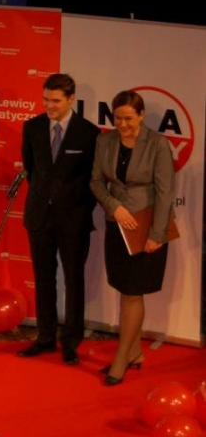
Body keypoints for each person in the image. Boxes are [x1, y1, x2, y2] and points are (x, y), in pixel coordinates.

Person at [90, 90, 175, 386]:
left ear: (141, 116)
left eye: (128, 118)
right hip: (117, 224)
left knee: (132, 292)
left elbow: (165, 192)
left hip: (146, 228)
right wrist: (114, 206)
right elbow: (96, 181)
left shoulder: (158, 144)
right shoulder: (105, 141)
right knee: (124, 289)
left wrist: (157, 235)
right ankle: (135, 351)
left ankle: (122, 357)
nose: (122, 124)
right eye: (117, 118)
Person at [18, 73, 101, 365]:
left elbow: (93, 179)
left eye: (55, 101)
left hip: (74, 219)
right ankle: (45, 337)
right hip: (39, 216)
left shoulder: (89, 133)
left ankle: (71, 341)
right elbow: (31, 170)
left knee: (74, 280)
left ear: (71, 99)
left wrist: (77, 208)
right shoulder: (32, 127)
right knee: (43, 279)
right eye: (45, 100)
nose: (49, 106)